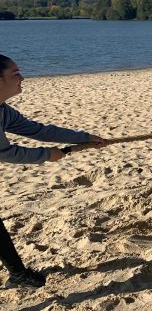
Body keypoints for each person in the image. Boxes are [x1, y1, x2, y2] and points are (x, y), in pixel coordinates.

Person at [0, 54, 106, 288]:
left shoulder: (3, 110)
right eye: (16, 74)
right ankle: (18, 273)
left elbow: (37, 131)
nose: (23, 78)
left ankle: (18, 273)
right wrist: (47, 155)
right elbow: (5, 153)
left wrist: (85, 138)